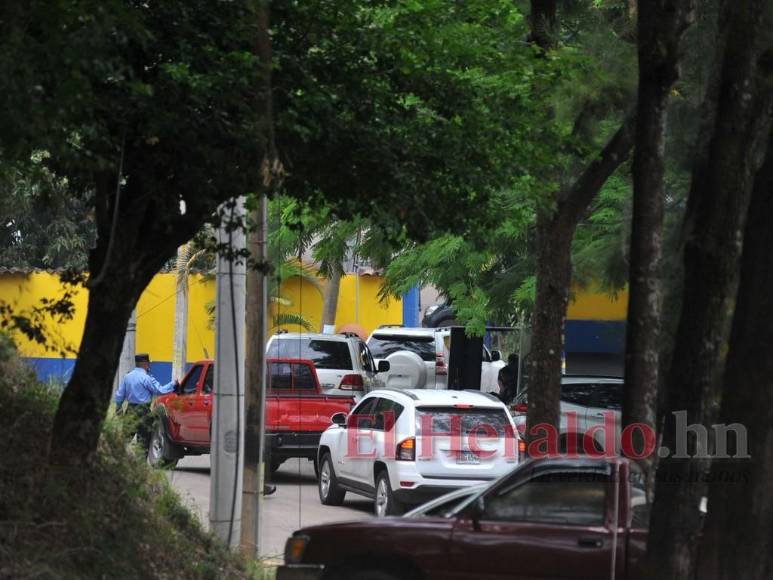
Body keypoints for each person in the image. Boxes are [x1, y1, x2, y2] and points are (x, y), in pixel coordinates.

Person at [115, 353, 178, 454]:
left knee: (124, 439)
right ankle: (140, 465)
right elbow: (159, 390)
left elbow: (119, 396)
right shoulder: (146, 378)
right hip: (144, 412)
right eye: (148, 363)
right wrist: (173, 384)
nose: (149, 366)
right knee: (143, 442)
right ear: (144, 364)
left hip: (130, 410)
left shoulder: (127, 377)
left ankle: (118, 462)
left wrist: (118, 408)